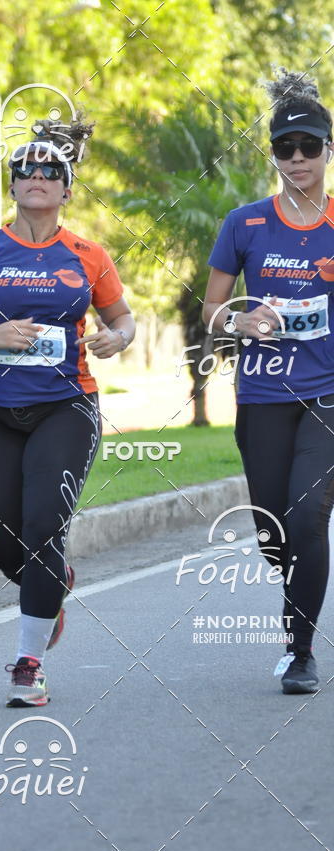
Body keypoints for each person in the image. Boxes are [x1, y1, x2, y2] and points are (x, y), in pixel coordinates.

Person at [0, 116, 135, 706]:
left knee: (45, 526)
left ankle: (28, 664)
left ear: (68, 189)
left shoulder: (88, 254)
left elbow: (122, 319)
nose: (37, 177)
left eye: (51, 170)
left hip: (66, 407)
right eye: (25, 169)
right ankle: (53, 587)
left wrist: (116, 339)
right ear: (13, 184)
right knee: (5, 541)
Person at [203, 68, 334, 694]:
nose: (298, 158)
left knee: (308, 516)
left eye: (310, 146)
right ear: (274, 155)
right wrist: (243, 318)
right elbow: (211, 310)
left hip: (327, 394)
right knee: (275, 530)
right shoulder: (245, 223)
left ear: (327, 151)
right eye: (286, 148)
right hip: (260, 393)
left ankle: (300, 650)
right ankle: (297, 599)